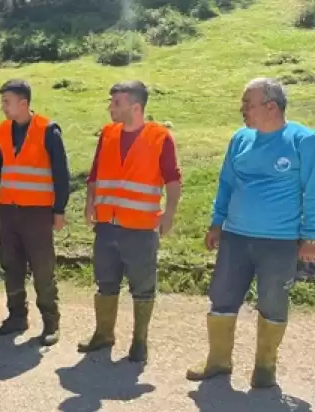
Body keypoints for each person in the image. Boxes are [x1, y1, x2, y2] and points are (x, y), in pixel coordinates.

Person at [186, 78, 315, 389]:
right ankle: (218, 361)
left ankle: (265, 368)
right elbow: (226, 183)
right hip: (235, 237)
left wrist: (310, 236)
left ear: (271, 106)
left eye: (248, 104)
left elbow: (312, 190)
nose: (242, 109)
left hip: (280, 241)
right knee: (222, 297)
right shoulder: (240, 139)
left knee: (273, 301)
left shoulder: (303, 140)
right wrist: (217, 222)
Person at [79, 80, 182, 363]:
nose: (111, 108)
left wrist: (169, 213)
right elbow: (95, 174)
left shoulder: (160, 137)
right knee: (105, 281)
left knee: (142, 285)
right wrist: (90, 203)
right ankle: (104, 334)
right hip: (107, 224)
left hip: (140, 227)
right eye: (111, 102)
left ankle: (139, 341)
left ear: (136, 107)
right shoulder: (108, 134)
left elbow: (173, 180)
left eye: (117, 103)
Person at [0, 79, 70, 347]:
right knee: (10, 265)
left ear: (23, 103)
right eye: (2, 102)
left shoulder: (48, 130)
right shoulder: (2, 130)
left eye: (7, 102)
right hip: (9, 211)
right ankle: (16, 316)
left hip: (38, 213)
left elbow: (61, 175)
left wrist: (59, 210)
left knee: (42, 268)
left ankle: (50, 320)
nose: (3, 107)